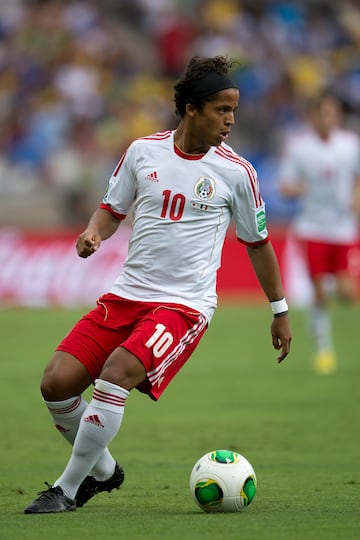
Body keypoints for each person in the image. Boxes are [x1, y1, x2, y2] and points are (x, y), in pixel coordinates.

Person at [24, 55, 292, 514]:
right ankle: (104, 470)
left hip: (183, 305)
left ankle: (67, 490)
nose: (230, 120)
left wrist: (280, 309)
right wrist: (93, 232)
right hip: (127, 294)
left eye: (234, 110)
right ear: (191, 108)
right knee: (56, 383)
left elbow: (259, 243)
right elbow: (111, 210)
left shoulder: (237, 173)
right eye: (221, 110)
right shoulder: (142, 151)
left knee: (116, 374)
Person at [279, 90, 360, 374]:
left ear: (337, 115)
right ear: (314, 115)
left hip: (343, 228)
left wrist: (356, 197)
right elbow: (285, 185)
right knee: (318, 292)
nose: (327, 118)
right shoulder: (299, 146)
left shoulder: (350, 145)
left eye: (332, 113)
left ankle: (332, 294)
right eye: (322, 112)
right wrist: (297, 188)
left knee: (347, 292)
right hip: (311, 227)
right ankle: (323, 350)